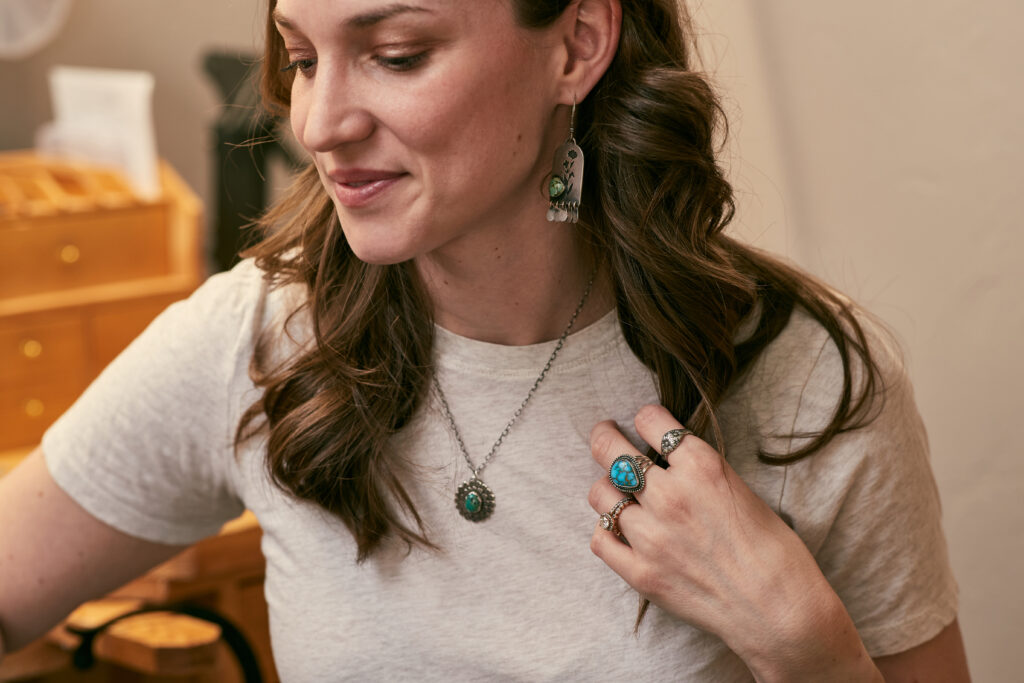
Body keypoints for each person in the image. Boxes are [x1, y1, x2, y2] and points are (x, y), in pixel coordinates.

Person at [0, 0, 970, 680]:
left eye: (396, 53)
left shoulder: (812, 386)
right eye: (301, 59)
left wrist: (808, 651)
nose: (319, 122)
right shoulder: (259, 337)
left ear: (576, 45)